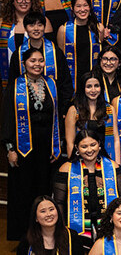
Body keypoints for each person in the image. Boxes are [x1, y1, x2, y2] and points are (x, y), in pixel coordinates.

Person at [4, 47, 62, 241]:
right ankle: (23, 236)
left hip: (46, 147)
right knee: (23, 191)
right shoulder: (14, 86)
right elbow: (7, 119)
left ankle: (43, 234)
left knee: (43, 189)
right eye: (32, 61)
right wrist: (10, 148)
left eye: (40, 61)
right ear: (24, 64)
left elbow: (57, 116)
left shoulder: (51, 84)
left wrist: (56, 144)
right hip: (23, 148)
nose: (37, 64)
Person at [17, 195, 86, 255]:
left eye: (51, 209)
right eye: (43, 211)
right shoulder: (27, 241)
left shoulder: (72, 237)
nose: (49, 214)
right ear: (36, 218)